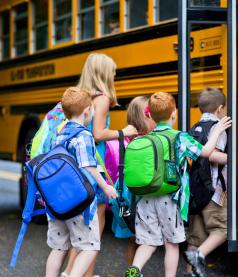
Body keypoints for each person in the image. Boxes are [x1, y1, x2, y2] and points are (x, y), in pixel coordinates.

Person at [125, 92, 232, 277]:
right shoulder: (179, 137)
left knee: (148, 242)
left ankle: (134, 269)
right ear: (174, 113)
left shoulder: (144, 139)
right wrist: (216, 132)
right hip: (169, 198)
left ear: (149, 115)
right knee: (171, 244)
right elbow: (205, 152)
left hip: (145, 198)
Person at [62, 53, 138, 277]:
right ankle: (81, 274)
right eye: (113, 72)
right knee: (95, 226)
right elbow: (97, 133)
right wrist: (124, 132)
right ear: (104, 74)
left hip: (78, 163)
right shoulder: (102, 98)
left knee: (81, 226)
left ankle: (70, 272)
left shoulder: (83, 96)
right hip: (96, 161)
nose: (114, 76)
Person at [184, 88, 238, 277]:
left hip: (195, 190)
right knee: (223, 229)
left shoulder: (194, 128)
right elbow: (213, 156)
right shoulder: (218, 127)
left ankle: (189, 273)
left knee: (195, 236)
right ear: (220, 108)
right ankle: (198, 257)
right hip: (213, 192)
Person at [45, 87, 118, 277]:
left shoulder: (60, 133)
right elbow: (88, 167)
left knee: (59, 248)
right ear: (87, 111)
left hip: (58, 201)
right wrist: (106, 186)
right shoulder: (84, 135)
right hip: (79, 201)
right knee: (90, 247)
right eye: (92, 109)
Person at [106, 96, 155, 265]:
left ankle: (132, 270)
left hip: (126, 195)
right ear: (146, 117)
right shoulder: (148, 141)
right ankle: (136, 269)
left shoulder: (124, 140)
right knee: (144, 239)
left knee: (133, 238)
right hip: (141, 194)